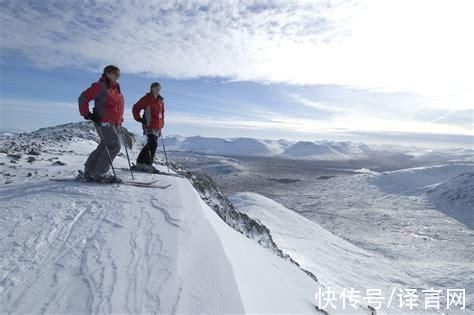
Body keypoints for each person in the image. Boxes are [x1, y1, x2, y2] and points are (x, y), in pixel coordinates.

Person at [78, 65, 124, 182]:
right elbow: (83, 97)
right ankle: (100, 172)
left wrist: (119, 121)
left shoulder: (115, 89)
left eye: (118, 74)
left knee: (105, 145)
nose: (117, 76)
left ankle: (89, 171)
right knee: (114, 146)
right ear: (107, 73)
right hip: (104, 121)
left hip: (114, 123)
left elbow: (117, 107)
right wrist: (87, 114)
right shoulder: (100, 86)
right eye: (115, 73)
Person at [132, 82, 165, 172]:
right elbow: (136, 107)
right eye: (156, 88)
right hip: (149, 125)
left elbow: (161, 113)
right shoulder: (147, 98)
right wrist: (139, 118)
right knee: (153, 144)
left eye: (159, 88)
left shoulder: (160, 100)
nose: (158, 90)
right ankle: (147, 165)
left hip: (157, 126)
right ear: (152, 88)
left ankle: (140, 163)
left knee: (150, 144)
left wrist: (162, 123)